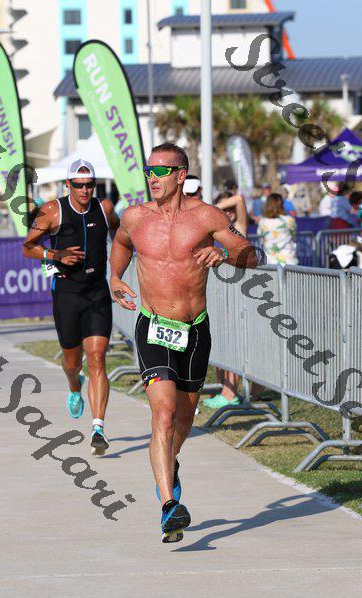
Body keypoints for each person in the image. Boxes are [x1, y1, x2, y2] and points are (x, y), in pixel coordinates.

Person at [109, 142, 258, 543]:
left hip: (194, 330)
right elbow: (121, 243)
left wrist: (224, 254)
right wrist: (115, 277)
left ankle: (170, 461)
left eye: (160, 171)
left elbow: (250, 255)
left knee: (183, 419)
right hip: (153, 327)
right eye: (148, 171)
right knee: (163, 414)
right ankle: (168, 505)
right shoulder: (135, 216)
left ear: (180, 175)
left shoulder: (207, 216)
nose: (152, 178)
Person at [22, 159, 119, 456]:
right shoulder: (53, 210)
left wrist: (119, 270)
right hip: (66, 293)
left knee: (97, 357)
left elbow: (120, 237)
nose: (85, 190)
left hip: (97, 292)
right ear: (68, 185)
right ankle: (74, 386)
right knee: (72, 362)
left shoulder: (105, 208)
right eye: (78, 185)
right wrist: (55, 254)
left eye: (90, 185)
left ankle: (98, 428)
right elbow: (28, 247)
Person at [202, 191, 249, 409]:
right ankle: (224, 388)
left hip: (237, 292)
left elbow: (239, 199)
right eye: (224, 210)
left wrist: (216, 209)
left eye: (229, 210)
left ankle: (230, 393)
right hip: (217, 293)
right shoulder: (212, 230)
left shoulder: (238, 229)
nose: (228, 213)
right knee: (219, 341)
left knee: (231, 343)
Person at [257, 193, 298, 265]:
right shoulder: (289, 220)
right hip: (288, 262)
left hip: (270, 263)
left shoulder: (263, 222)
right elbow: (293, 234)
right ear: (281, 204)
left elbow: (260, 238)